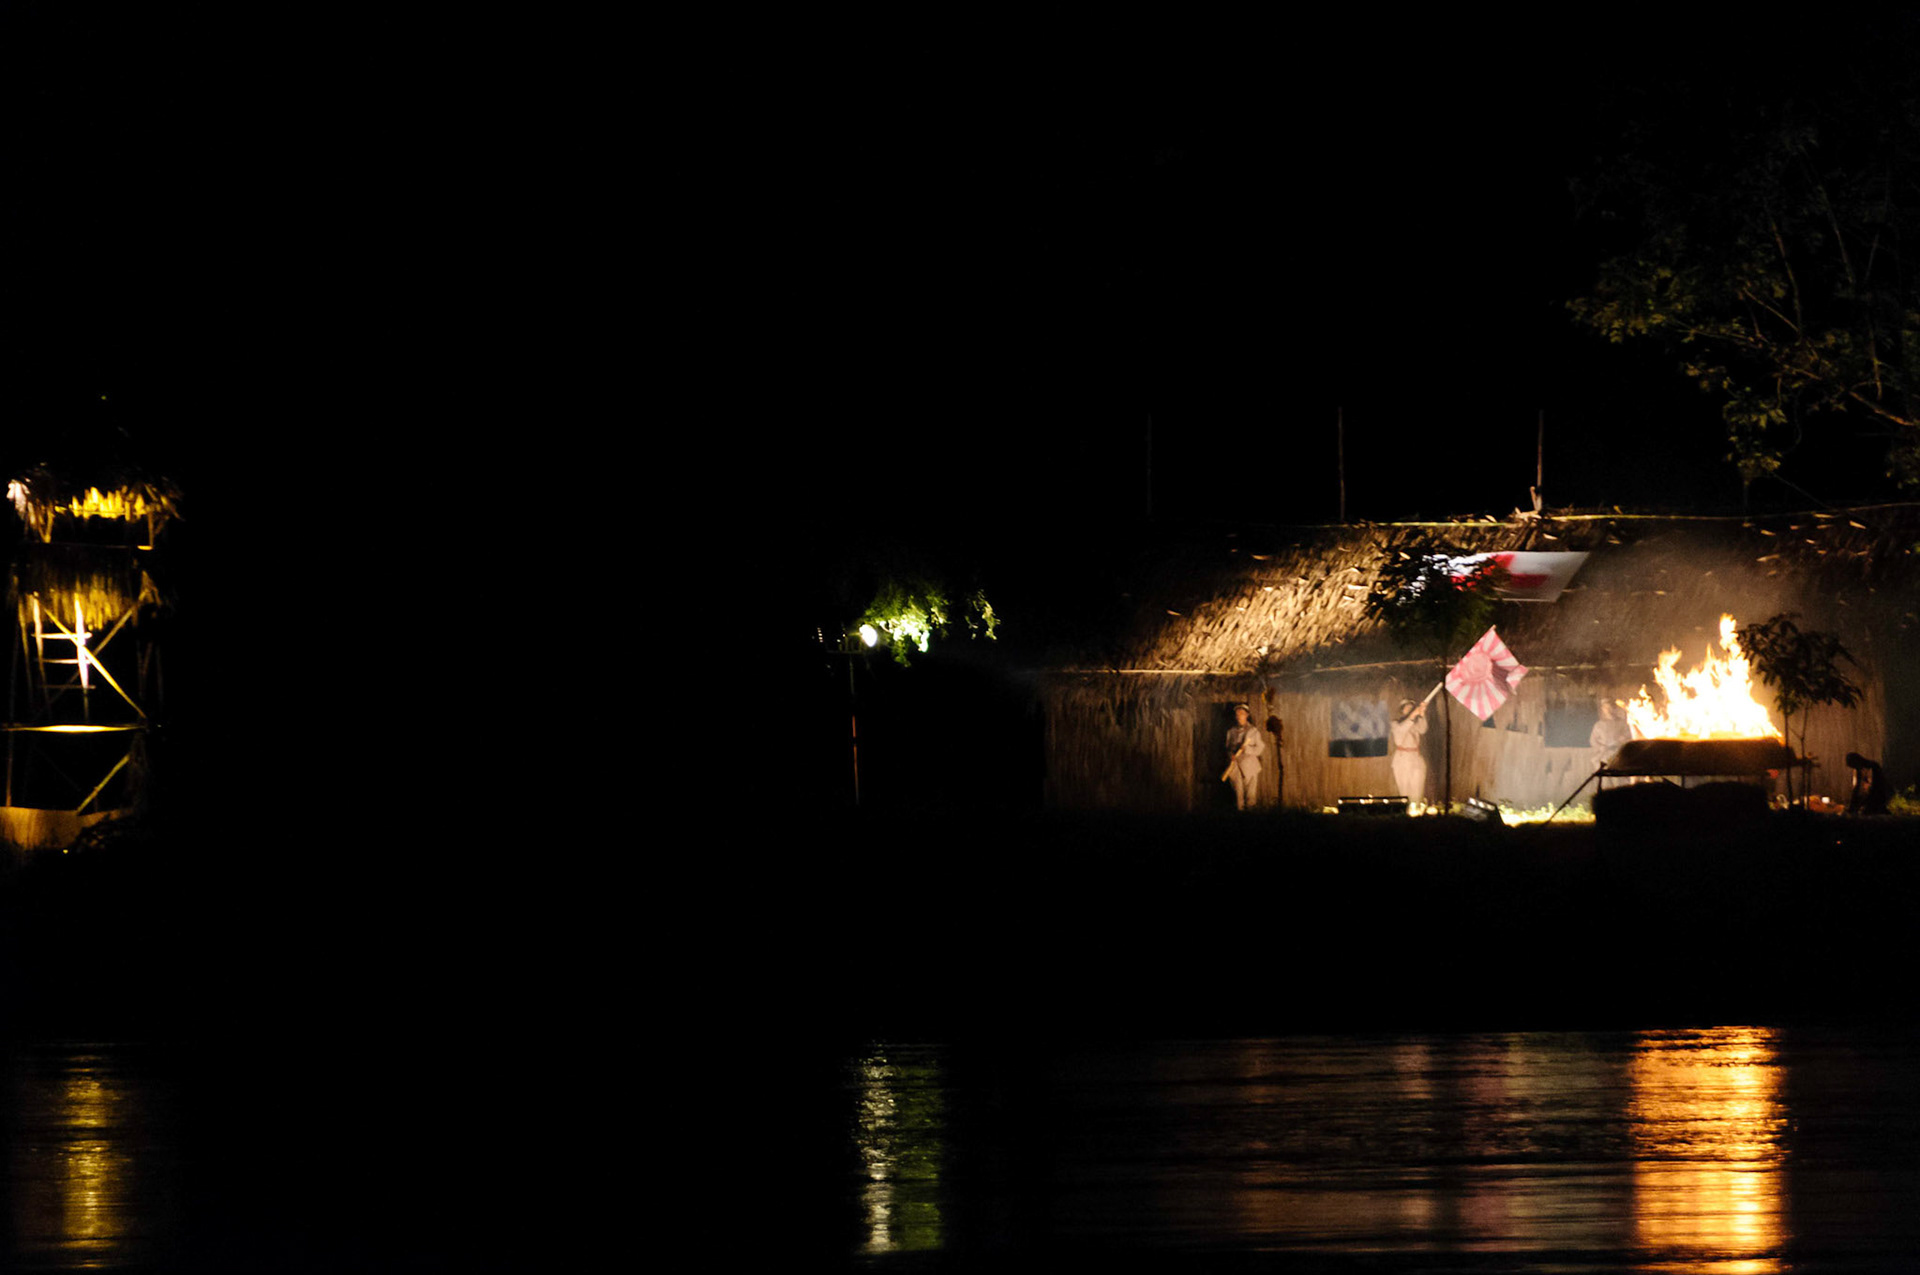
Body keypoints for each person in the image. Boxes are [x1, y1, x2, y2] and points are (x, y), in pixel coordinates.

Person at [1223, 703, 1265, 811]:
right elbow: (1228, 748)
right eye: (1237, 714)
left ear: (1246, 715)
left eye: (1241, 714)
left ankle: (1250, 815)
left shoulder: (1253, 731)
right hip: (1235, 766)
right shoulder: (1231, 731)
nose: (1239, 716)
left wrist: (1247, 749)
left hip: (1250, 766)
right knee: (1238, 795)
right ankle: (1240, 815)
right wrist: (1231, 755)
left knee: (1250, 796)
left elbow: (1260, 748)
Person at [1389, 698, 1428, 805]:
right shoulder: (1395, 724)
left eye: (1411, 707)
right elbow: (1400, 732)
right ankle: (1406, 812)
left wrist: (1422, 714)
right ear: (1402, 710)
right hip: (1402, 759)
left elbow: (1423, 729)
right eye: (1406, 707)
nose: (1409, 709)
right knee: (1404, 791)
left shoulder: (1415, 724)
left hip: (1416, 758)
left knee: (1418, 789)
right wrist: (1413, 716)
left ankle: (1417, 811)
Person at [1590, 697, 1632, 774]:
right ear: (1603, 709)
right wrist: (1601, 748)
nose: (1608, 710)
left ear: (1614, 709)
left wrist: (1622, 740)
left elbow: (1629, 736)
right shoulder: (1599, 725)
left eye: (1610, 707)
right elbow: (1593, 741)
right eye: (1606, 708)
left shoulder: (1622, 723)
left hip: (1619, 756)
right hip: (1604, 756)